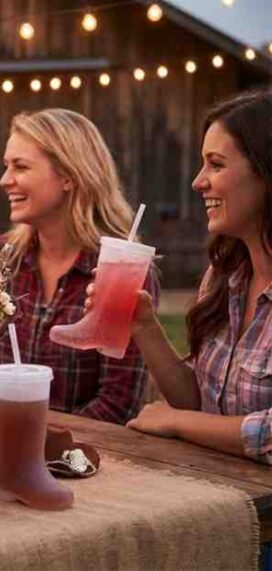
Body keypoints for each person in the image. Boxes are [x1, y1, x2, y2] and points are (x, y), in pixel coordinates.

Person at [87, 89, 272, 461]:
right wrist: (145, 327)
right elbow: (199, 400)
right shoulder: (225, 278)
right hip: (223, 496)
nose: (198, 182)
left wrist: (177, 422)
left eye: (216, 165)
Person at [0, 109, 158, 425]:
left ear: (68, 176)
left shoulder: (123, 269)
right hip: (2, 447)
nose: (5, 180)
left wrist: (44, 447)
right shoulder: (3, 256)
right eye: (6, 166)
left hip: (90, 462)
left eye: (20, 167)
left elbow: (117, 404)